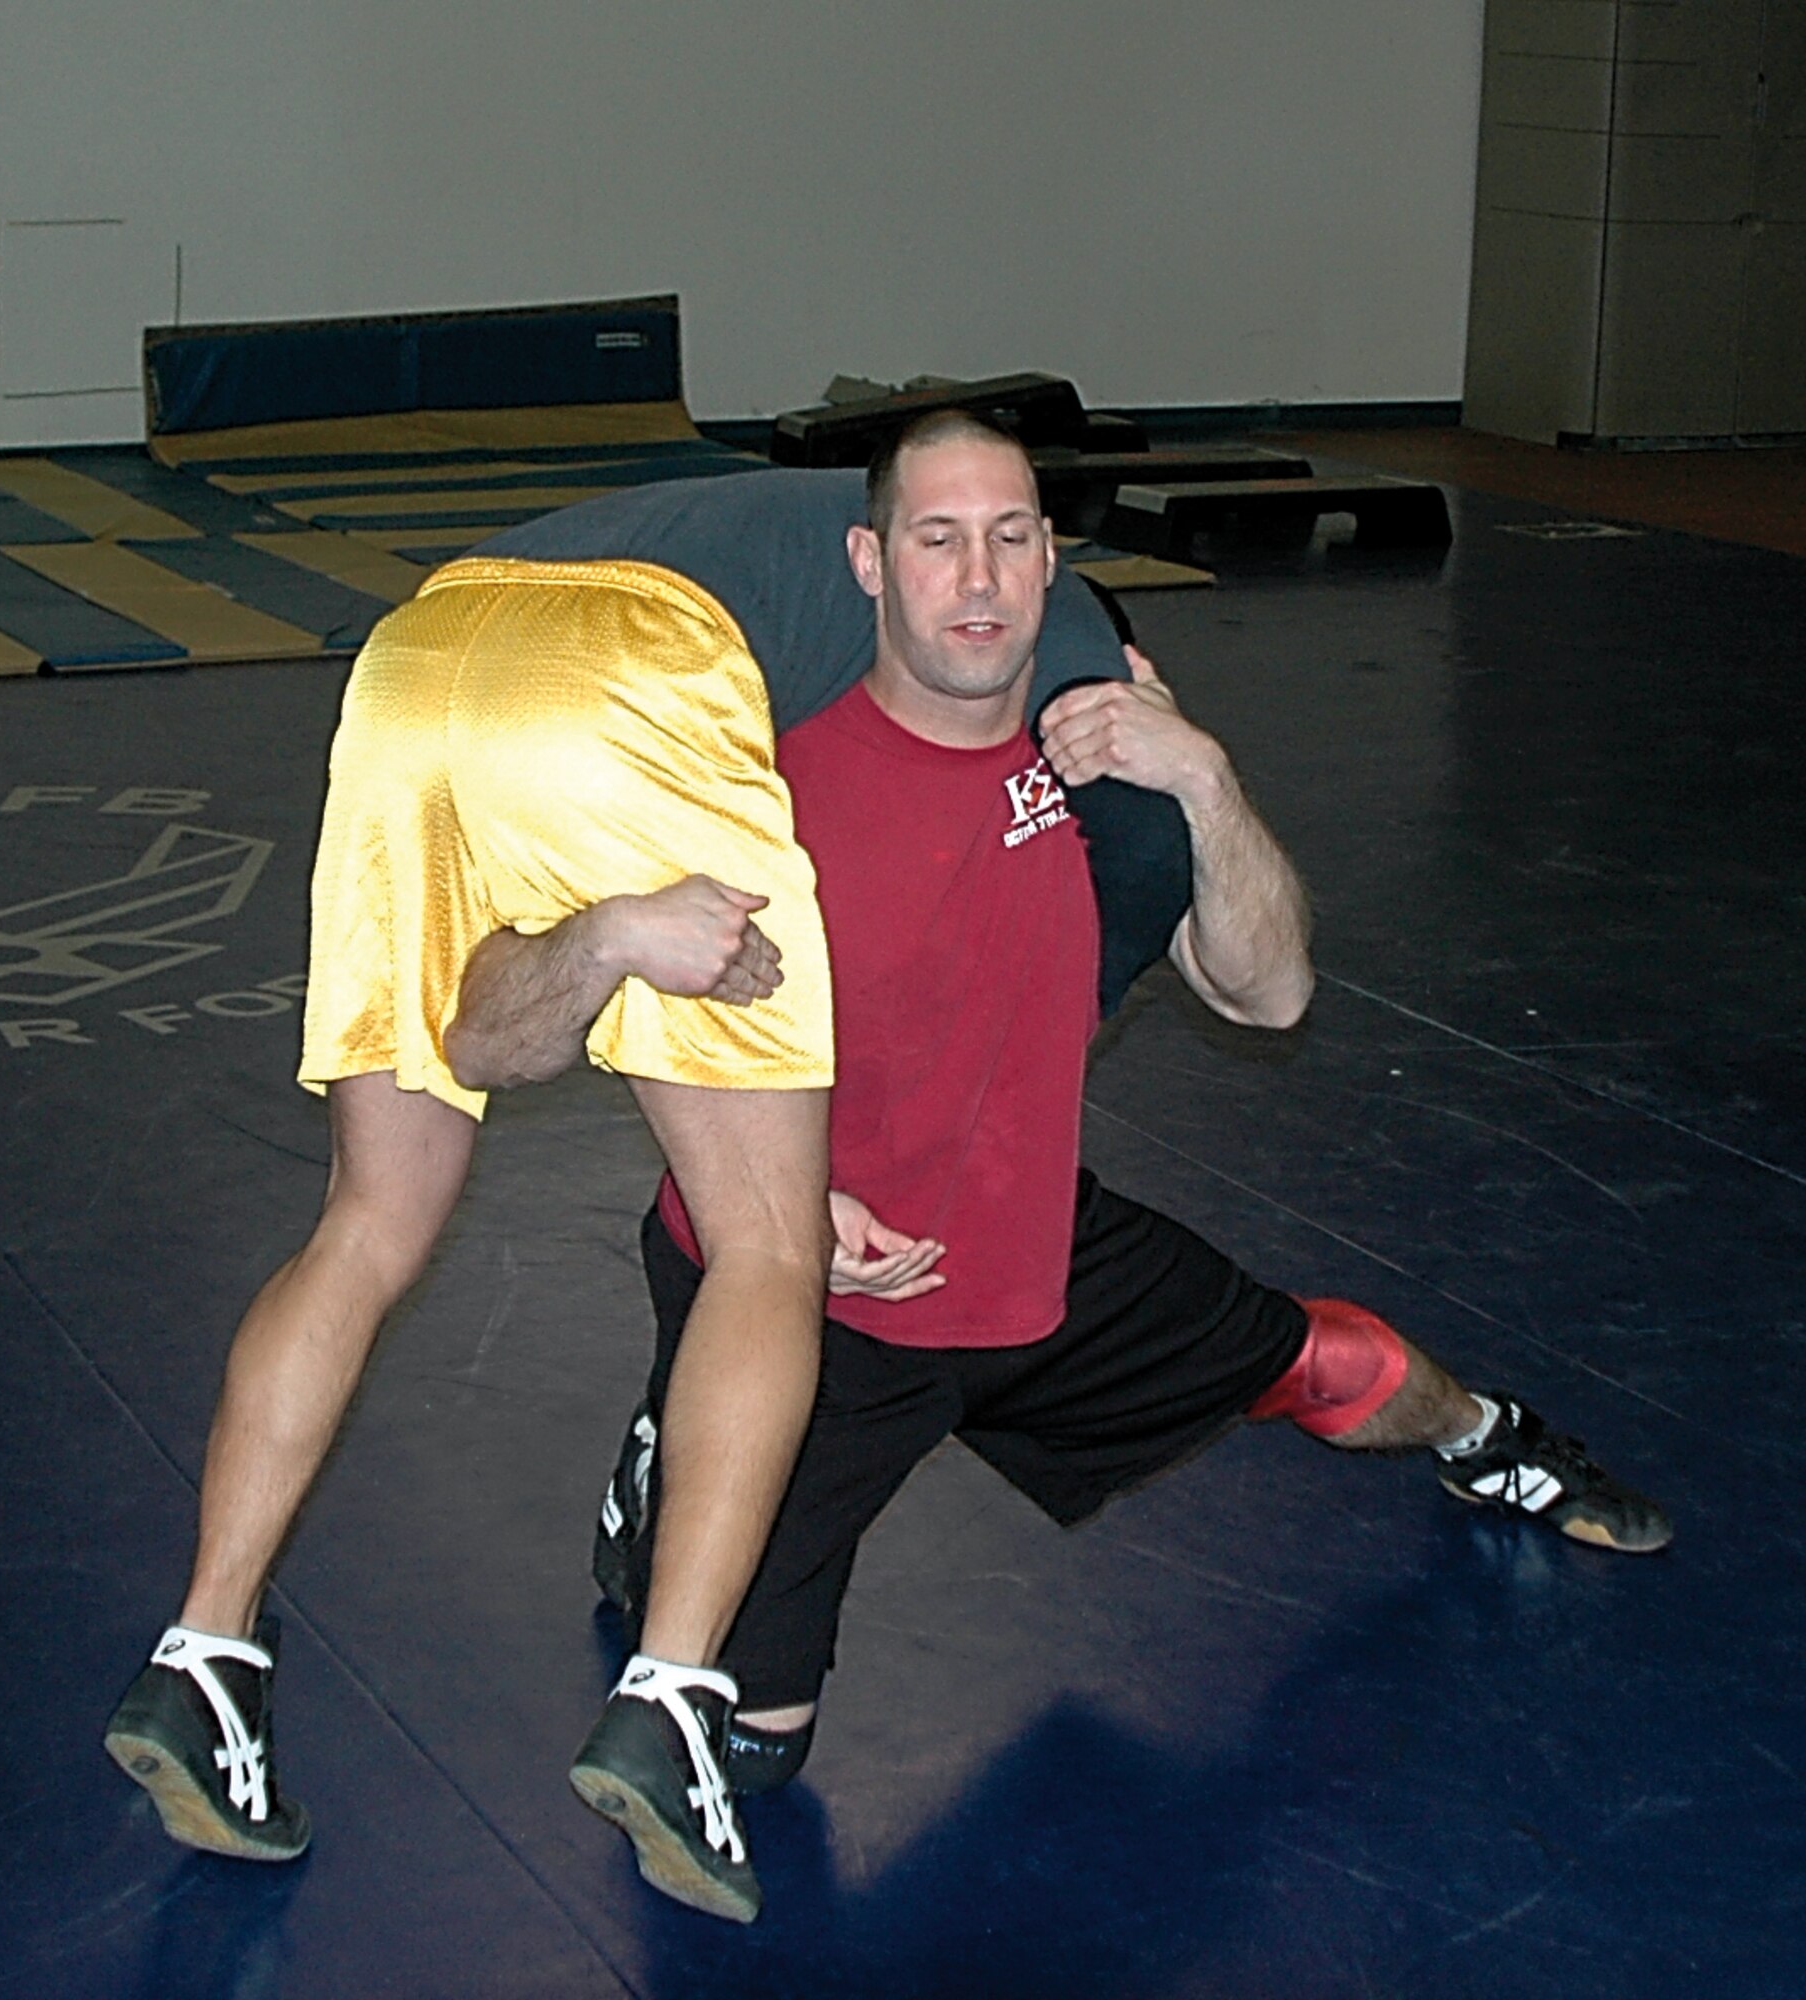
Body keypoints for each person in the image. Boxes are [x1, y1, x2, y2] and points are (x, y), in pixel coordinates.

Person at [542, 411, 1674, 1877]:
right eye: (938, 540)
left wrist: (1201, 773)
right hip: (815, 1288)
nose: (978, 576)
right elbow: (644, 1006)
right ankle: (673, 1448)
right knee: (755, 1747)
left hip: (1032, 1257)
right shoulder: (769, 787)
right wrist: (787, 1203)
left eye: (1011, 537)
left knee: (1330, 1367)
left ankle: (1489, 1440)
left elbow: (1269, 993)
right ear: (868, 566)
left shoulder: (1115, 790)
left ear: (1051, 565)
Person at [104, 468, 1186, 1926]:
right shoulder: (1054, 627)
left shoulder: (794, 533)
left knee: (368, 1221)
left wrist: (608, 930)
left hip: (419, 657)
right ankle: (674, 1697)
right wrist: (1162, 759)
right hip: (635, 676)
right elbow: (1109, 865)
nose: (980, 589)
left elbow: (498, 1035)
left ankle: (203, 1653)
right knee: (765, 1245)